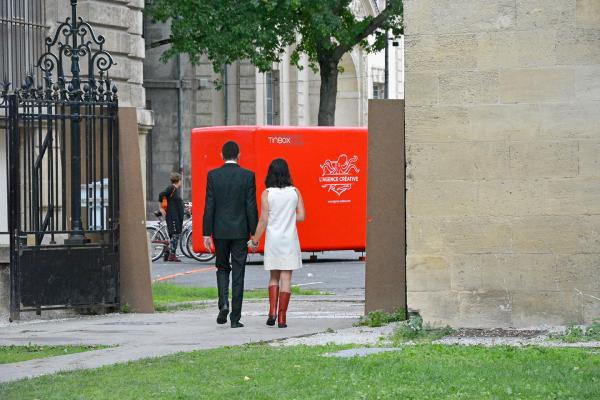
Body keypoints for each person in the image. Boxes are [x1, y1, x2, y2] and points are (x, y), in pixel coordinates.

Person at [203, 141, 258, 328]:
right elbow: (251, 206)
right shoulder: (248, 176)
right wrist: (254, 234)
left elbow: (209, 205)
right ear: (239, 155)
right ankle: (235, 318)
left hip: (219, 231)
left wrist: (206, 233)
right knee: (239, 272)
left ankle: (223, 303)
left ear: (222, 155)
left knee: (222, 268)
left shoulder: (213, 175)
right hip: (241, 231)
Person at [250, 158, 305, 328]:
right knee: (286, 278)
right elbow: (302, 216)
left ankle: (272, 312)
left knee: (274, 276)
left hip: (273, 240)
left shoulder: (267, 193)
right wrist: (288, 217)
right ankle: (282, 318)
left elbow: (263, 220)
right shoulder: (295, 192)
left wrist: (255, 240)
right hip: (289, 240)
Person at [158, 172, 185, 262]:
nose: (181, 182)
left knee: (174, 235)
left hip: (176, 215)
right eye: (180, 180)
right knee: (175, 234)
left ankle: (168, 253)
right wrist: (161, 208)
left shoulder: (175, 190)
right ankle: (172, 255)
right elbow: (161, 194)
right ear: (178, 180)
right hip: (172, 216)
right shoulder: (171, 188)